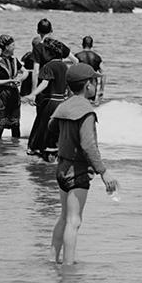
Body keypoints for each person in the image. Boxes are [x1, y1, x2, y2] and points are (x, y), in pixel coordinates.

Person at [49, 62, 119, 265]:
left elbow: (51, 127)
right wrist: (103, 172)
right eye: (94, 81)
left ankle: (52, 259)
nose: (96, 85)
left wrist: (63, 144)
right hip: (77, 170)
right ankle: (68, 266)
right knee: (74, 221)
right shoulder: (86, 111)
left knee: (64, 217)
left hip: (61, 168)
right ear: (87, 85)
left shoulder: (64, 106)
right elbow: (88, 145)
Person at [26, 37, 73, 158]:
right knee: (55, 131)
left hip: (51, 103)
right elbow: (68, 87)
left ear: (49, 52)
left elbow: (45, 83)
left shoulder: (48, 66)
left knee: (42, 129)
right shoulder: (64, 66)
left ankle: (39, 156)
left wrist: (32, 94)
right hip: (62, 102)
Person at [0, 35, 26, 139]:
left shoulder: (14, 60)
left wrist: (20, 79)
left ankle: (15, 149)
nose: (14, 47)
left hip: (13, 94)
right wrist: (10, 80)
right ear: (6, 47)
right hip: (0, 95)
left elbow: (25, 71)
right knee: (0, 124)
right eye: (12, 45)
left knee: (15, 123)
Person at [74, 35, 104, 101]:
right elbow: (103, 74)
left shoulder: (77, 56)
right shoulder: (97, 57)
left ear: (82, 44)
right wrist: (101, 89)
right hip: (92, 87)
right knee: (90, 106)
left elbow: (72, 73)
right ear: (92, 45)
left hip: (81, 86)